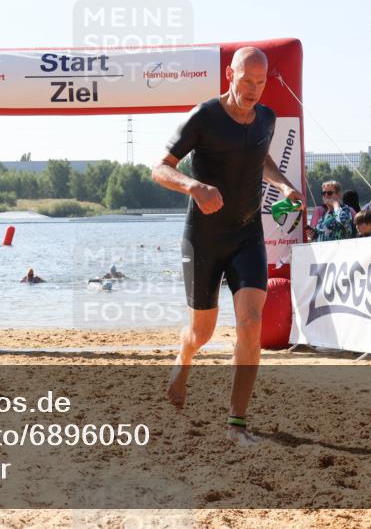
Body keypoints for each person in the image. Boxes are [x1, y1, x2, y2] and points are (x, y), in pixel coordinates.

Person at [151, 46, 304, 446]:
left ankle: (237, 423)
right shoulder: (204, 116)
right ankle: (184, 357)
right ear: (229, 76)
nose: (253, 89)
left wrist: (283, 184)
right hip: (203, 237)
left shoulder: (266, 118)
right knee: (201, 333)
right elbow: (160, 168)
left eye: (261, 82)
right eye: (246, 80)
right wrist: (194, 186)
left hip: (247, 234)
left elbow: (260, 158)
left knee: (251, 322)